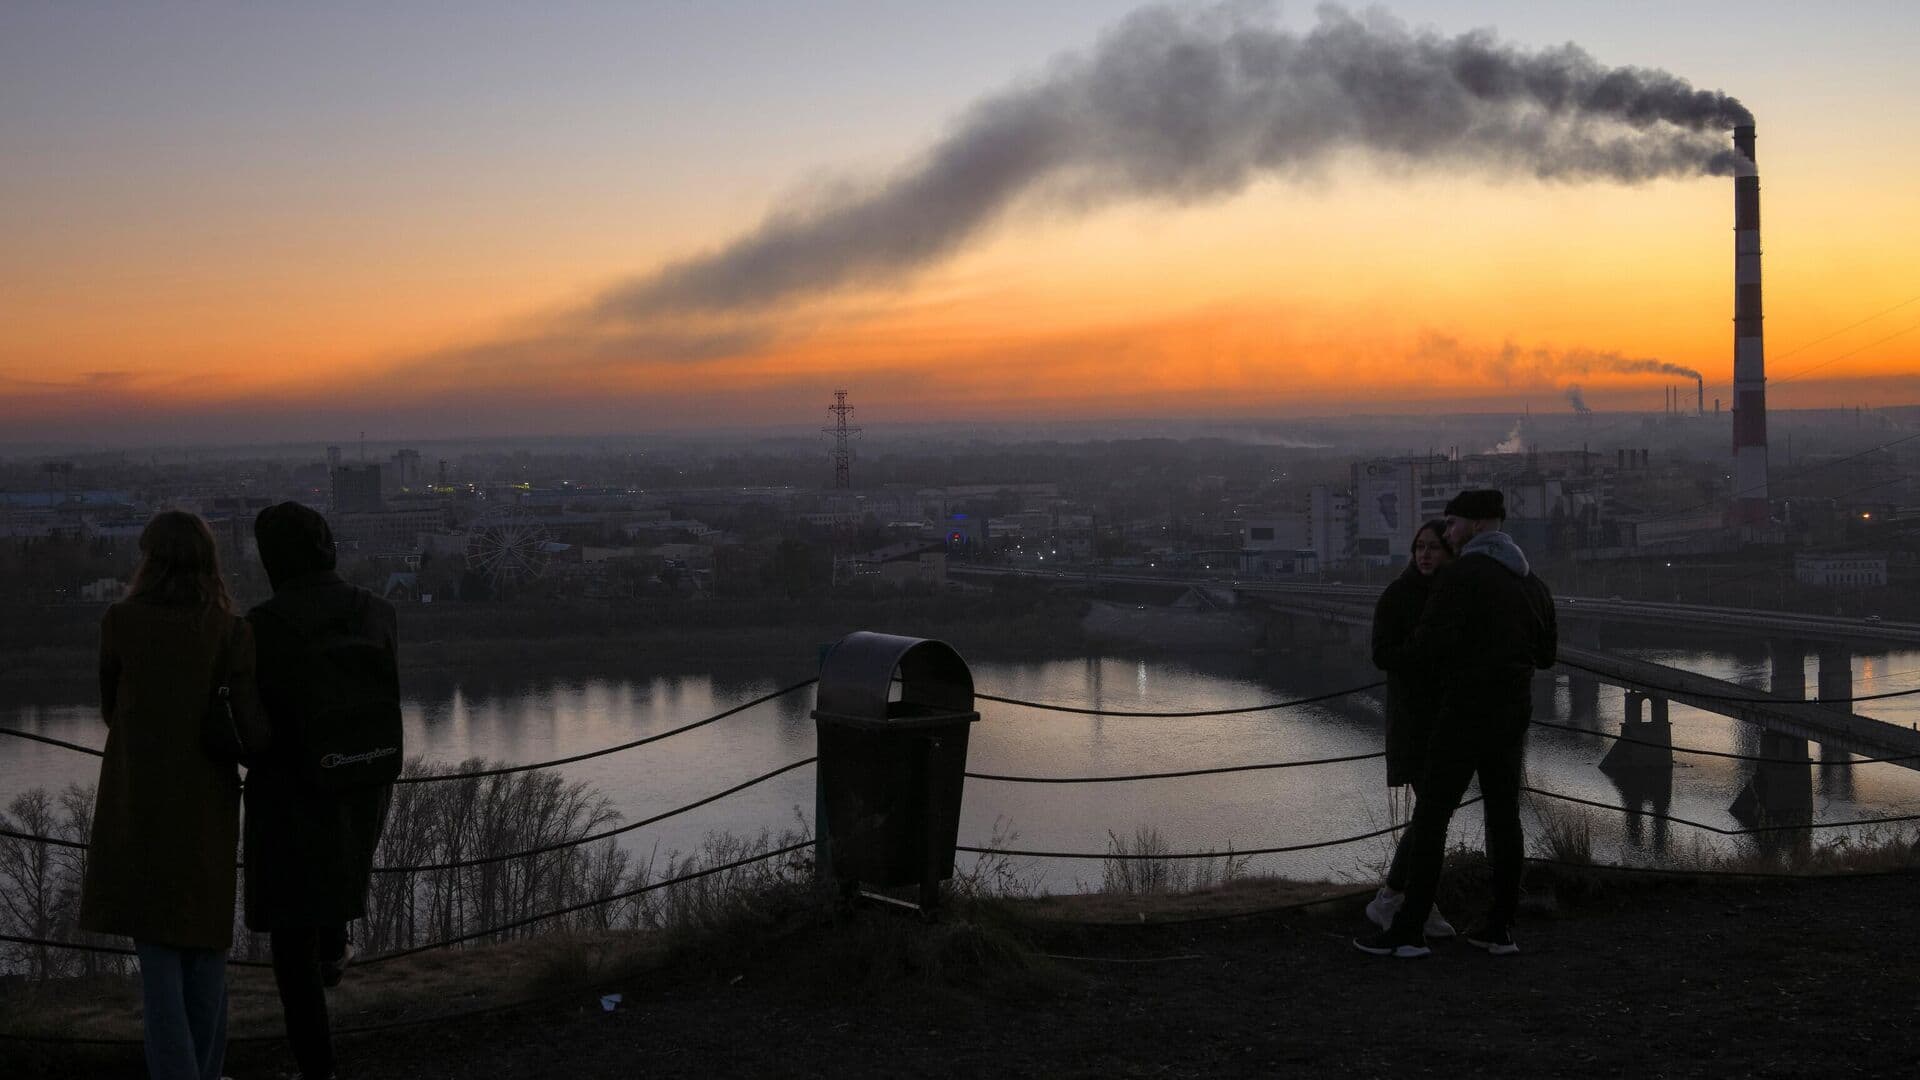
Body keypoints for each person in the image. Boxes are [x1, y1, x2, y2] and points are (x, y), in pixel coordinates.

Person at [79, 511, 250, 1080]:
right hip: (207, 806)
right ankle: (206, 1069)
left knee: (158, 962)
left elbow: (112, 708)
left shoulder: (121, 622)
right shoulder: (229, 630)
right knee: (207, 951)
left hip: (141, 803)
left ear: (149, 561)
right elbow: (245, 720)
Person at [1355, 489, 1556, 959]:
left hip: (1463, 713)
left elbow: (1429, 647)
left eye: (1452, 523)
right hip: (1513, 715)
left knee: (1431, 819)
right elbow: (1546, 655)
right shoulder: (1532, 583)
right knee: (1504, 819)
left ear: (1477, 524)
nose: (1447, 533)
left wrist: (1403, 661)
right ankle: (1499, 928)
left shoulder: (1461, 576)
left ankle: (1408, 931)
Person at [244, 502, 398, 1080]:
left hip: (291, 797)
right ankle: (335, 947)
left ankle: (318, 1069)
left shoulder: (261, 627)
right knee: (335, 895)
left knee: (292, 948)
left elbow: (255, 729)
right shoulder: (378, 613)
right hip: (365, 784)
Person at [1364, 519, 1457, 939]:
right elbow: (1382, 654)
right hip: (1415, 721)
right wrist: (1422, 653)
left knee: (1432, 814)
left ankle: (1403, 899)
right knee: (1432, 814)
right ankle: (1403, 900)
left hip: (1450, 719)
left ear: (1449, 553)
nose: (1425, 554)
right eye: (1420, 546)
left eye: (1433, 547)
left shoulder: (1455, 596)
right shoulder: (1397, 595)